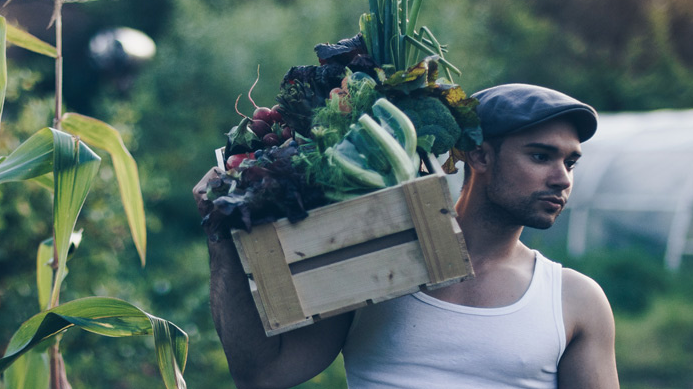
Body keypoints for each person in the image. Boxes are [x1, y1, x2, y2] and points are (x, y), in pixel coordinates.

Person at [193, 83, 619, 389]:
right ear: (480, 155)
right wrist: (222, 239)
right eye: (541, 156)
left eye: (571, 163)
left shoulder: (574, 299)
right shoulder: (376, 262)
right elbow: (261, 376)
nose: (562, 178)